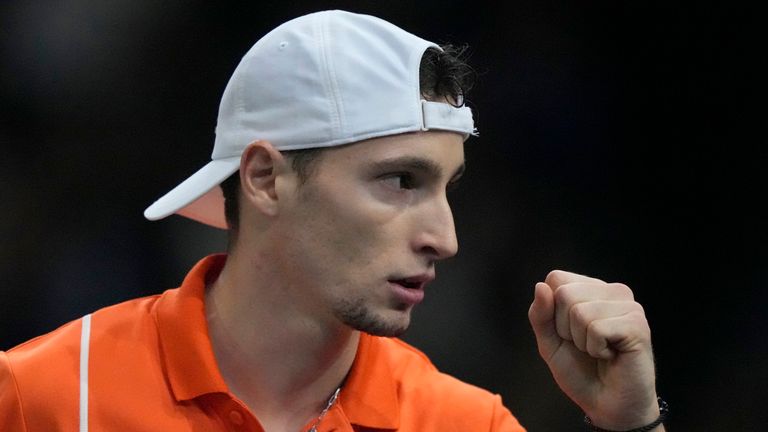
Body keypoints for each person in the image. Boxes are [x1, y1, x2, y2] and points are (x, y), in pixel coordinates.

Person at [0, 10, 667, 432]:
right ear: (264, 178)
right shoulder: (42, 397)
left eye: (448, 187)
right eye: (401, 181)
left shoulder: (460, 423)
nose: (447, 237)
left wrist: (633, 426)